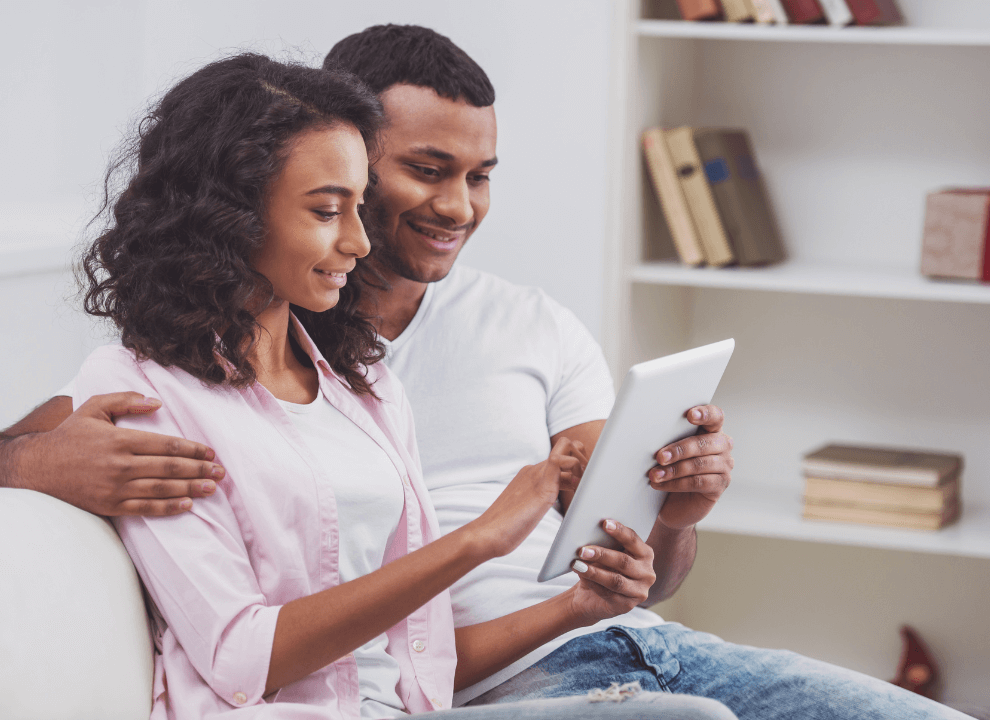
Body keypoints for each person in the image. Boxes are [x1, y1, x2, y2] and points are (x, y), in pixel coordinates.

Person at [0, 24, 971, 720]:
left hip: (612, 641)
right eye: (424, 172)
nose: (457, 207)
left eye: (480, 176)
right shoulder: (181, 371)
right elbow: (2, 457)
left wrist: (674, 516)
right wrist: (30, 464)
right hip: (487, 683)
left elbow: (636, 579)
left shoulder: (407, 360)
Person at [60, 51, 734, 720]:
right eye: (328, 211)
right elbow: (239, 659)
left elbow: (423, 663)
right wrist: (481, 538)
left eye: (359, 207)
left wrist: (578, 607)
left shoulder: (366, 388)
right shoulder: (141, 391)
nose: (358, 242)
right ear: (229, 216)